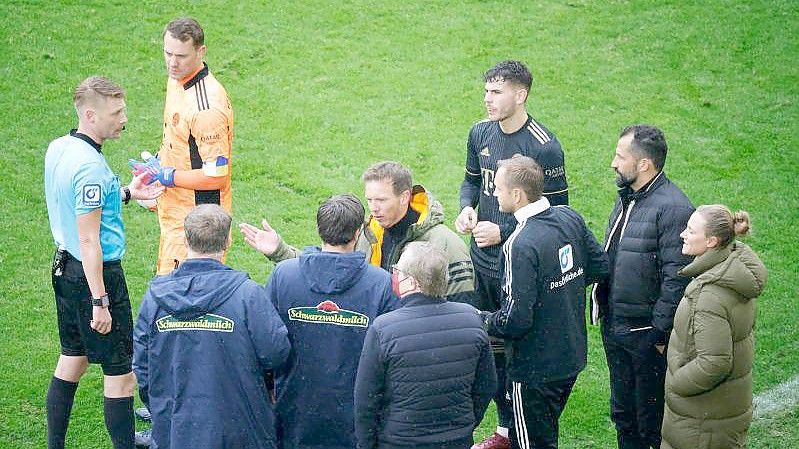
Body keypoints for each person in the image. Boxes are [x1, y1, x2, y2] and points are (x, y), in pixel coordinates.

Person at [43, 76, 164, 449]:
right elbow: (89, 238)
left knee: (73, 359)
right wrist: (100, 300)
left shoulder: (60, 148)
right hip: (95, 276)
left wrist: (127, 192)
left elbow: (81, 204)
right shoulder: (91, 168)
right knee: (120, 376)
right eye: (116, 112)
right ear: (91, 115)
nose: (124, 118)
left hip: (64, 267)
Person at [455, 60, 569, 449]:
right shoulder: (479, 132)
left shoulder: (544, 147)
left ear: (520, 95)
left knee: (517, 344)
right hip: (480, 262)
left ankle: (522, 426)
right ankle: (506, 427)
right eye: (486, 91)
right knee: (490, 347)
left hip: (518, 265)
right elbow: (471, 182)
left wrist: (502, 232)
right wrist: (467, 208)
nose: (487, 100)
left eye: (496, 92)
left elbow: (554, 215)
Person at [132, 204, 290, 449]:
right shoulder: (248, 296)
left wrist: (162, 405)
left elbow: (142, 366)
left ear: (185, 240)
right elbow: (276, 353)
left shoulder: (155, 298)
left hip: (177, 426)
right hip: (240, 426)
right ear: (228, 240)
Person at [479, 156, 608, 449]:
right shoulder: (569, 217)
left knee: (531, 444)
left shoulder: (518, 244)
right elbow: (600, 266)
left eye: (498, 188)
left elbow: (515, 320)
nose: (493, 193)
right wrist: (560, 292)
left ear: (516, 194)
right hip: (571, 356)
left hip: (534, 369)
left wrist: (482, 319)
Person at [240, 161, 477, 305]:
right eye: (369, 200)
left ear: (405, 197)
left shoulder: (445, 244)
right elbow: (331, 269)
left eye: (381, 200)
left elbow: (463, 310)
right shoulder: (367, 233)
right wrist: (280, 251)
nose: (373, 208)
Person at [265, 194, 399, 449]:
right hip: (355, 415)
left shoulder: (284, 276)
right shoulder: (380, 283)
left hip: (294, 409)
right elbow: (392, 355)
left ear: (318, 229)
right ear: (359, 232)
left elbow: (266, 343)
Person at [590, 125, 694, 449]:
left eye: (620, 157)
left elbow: (678, 277)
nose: (613, 163)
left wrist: (658, 335)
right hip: (617, 327)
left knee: (649, 422)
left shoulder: (673, 208)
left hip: (644, 336)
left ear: (644, 164)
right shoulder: (629, 197)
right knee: (623, 415)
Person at [354, 242, 496, 449]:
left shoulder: (384, 329)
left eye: (397, 270)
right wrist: (464, 424)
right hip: (456, 441)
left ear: (411, 282)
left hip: (399, 442)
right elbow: (486, 386)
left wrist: (366, 444)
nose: (393, 273)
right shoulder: (472, 319)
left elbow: (366, 400)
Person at [132, 16, 234, 276]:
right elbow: (183, 142)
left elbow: (216, 176)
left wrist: (168, 176)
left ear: (201, 52)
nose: (172, 63)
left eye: (181, 56)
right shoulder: (176, 81)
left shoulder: (206, 109)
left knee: (182, 305)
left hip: (198, 225)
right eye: (167, 53)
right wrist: (158, 164)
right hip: (175, 212)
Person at [661, 206, 767, 449]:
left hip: (702, 422)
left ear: (711, 241)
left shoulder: (709, 295)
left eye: (690, 230)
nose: (682, 235)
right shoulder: (732, 268)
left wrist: (677, 384)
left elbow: (715, 362)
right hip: (720, 413)